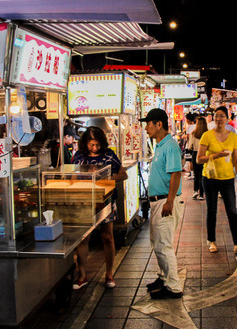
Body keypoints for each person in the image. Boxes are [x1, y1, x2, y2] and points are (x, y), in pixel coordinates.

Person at [72, 126, 127, 290]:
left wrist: (109, 178)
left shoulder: (109, 155)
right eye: (91, 145)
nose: (94, 148)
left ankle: (109, 274)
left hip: (106, 201)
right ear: (85, 143)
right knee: (83, 238)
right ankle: (82, 275)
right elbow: (72, 175)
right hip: (84, 201)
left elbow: (123, 174)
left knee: (107, 237)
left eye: (97, 145)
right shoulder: (79, 157)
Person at [139, 108, 185, 299]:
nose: (146, 128)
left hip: (165, 202)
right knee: (157, 243)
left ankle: (174, 286)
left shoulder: (170, 146)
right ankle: (164, 276)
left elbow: (176, 173)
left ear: (159, 124)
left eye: (148, 124)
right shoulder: (159, 145)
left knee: (163, 244)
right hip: (157, 202)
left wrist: (170, 201)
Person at [197, 106, 237, 255]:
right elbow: (198, 159)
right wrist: (215, 155)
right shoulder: (207, 135)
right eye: (216, 116)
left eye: (222, 116)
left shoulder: (233, 137)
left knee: (232, 211)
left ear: (227, 118)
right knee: (211, 210)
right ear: (213, 117)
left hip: (227, 179)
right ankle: (211, 241)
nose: (219, 119)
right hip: (210, 178)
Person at [191, 117, 208, 200]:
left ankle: (195, 191)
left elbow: (190, 145)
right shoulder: (207, 134)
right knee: (202, 174)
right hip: (204, 155)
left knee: (196, 174)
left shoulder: (193, 134)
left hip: (195, 154)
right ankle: (201, 194)